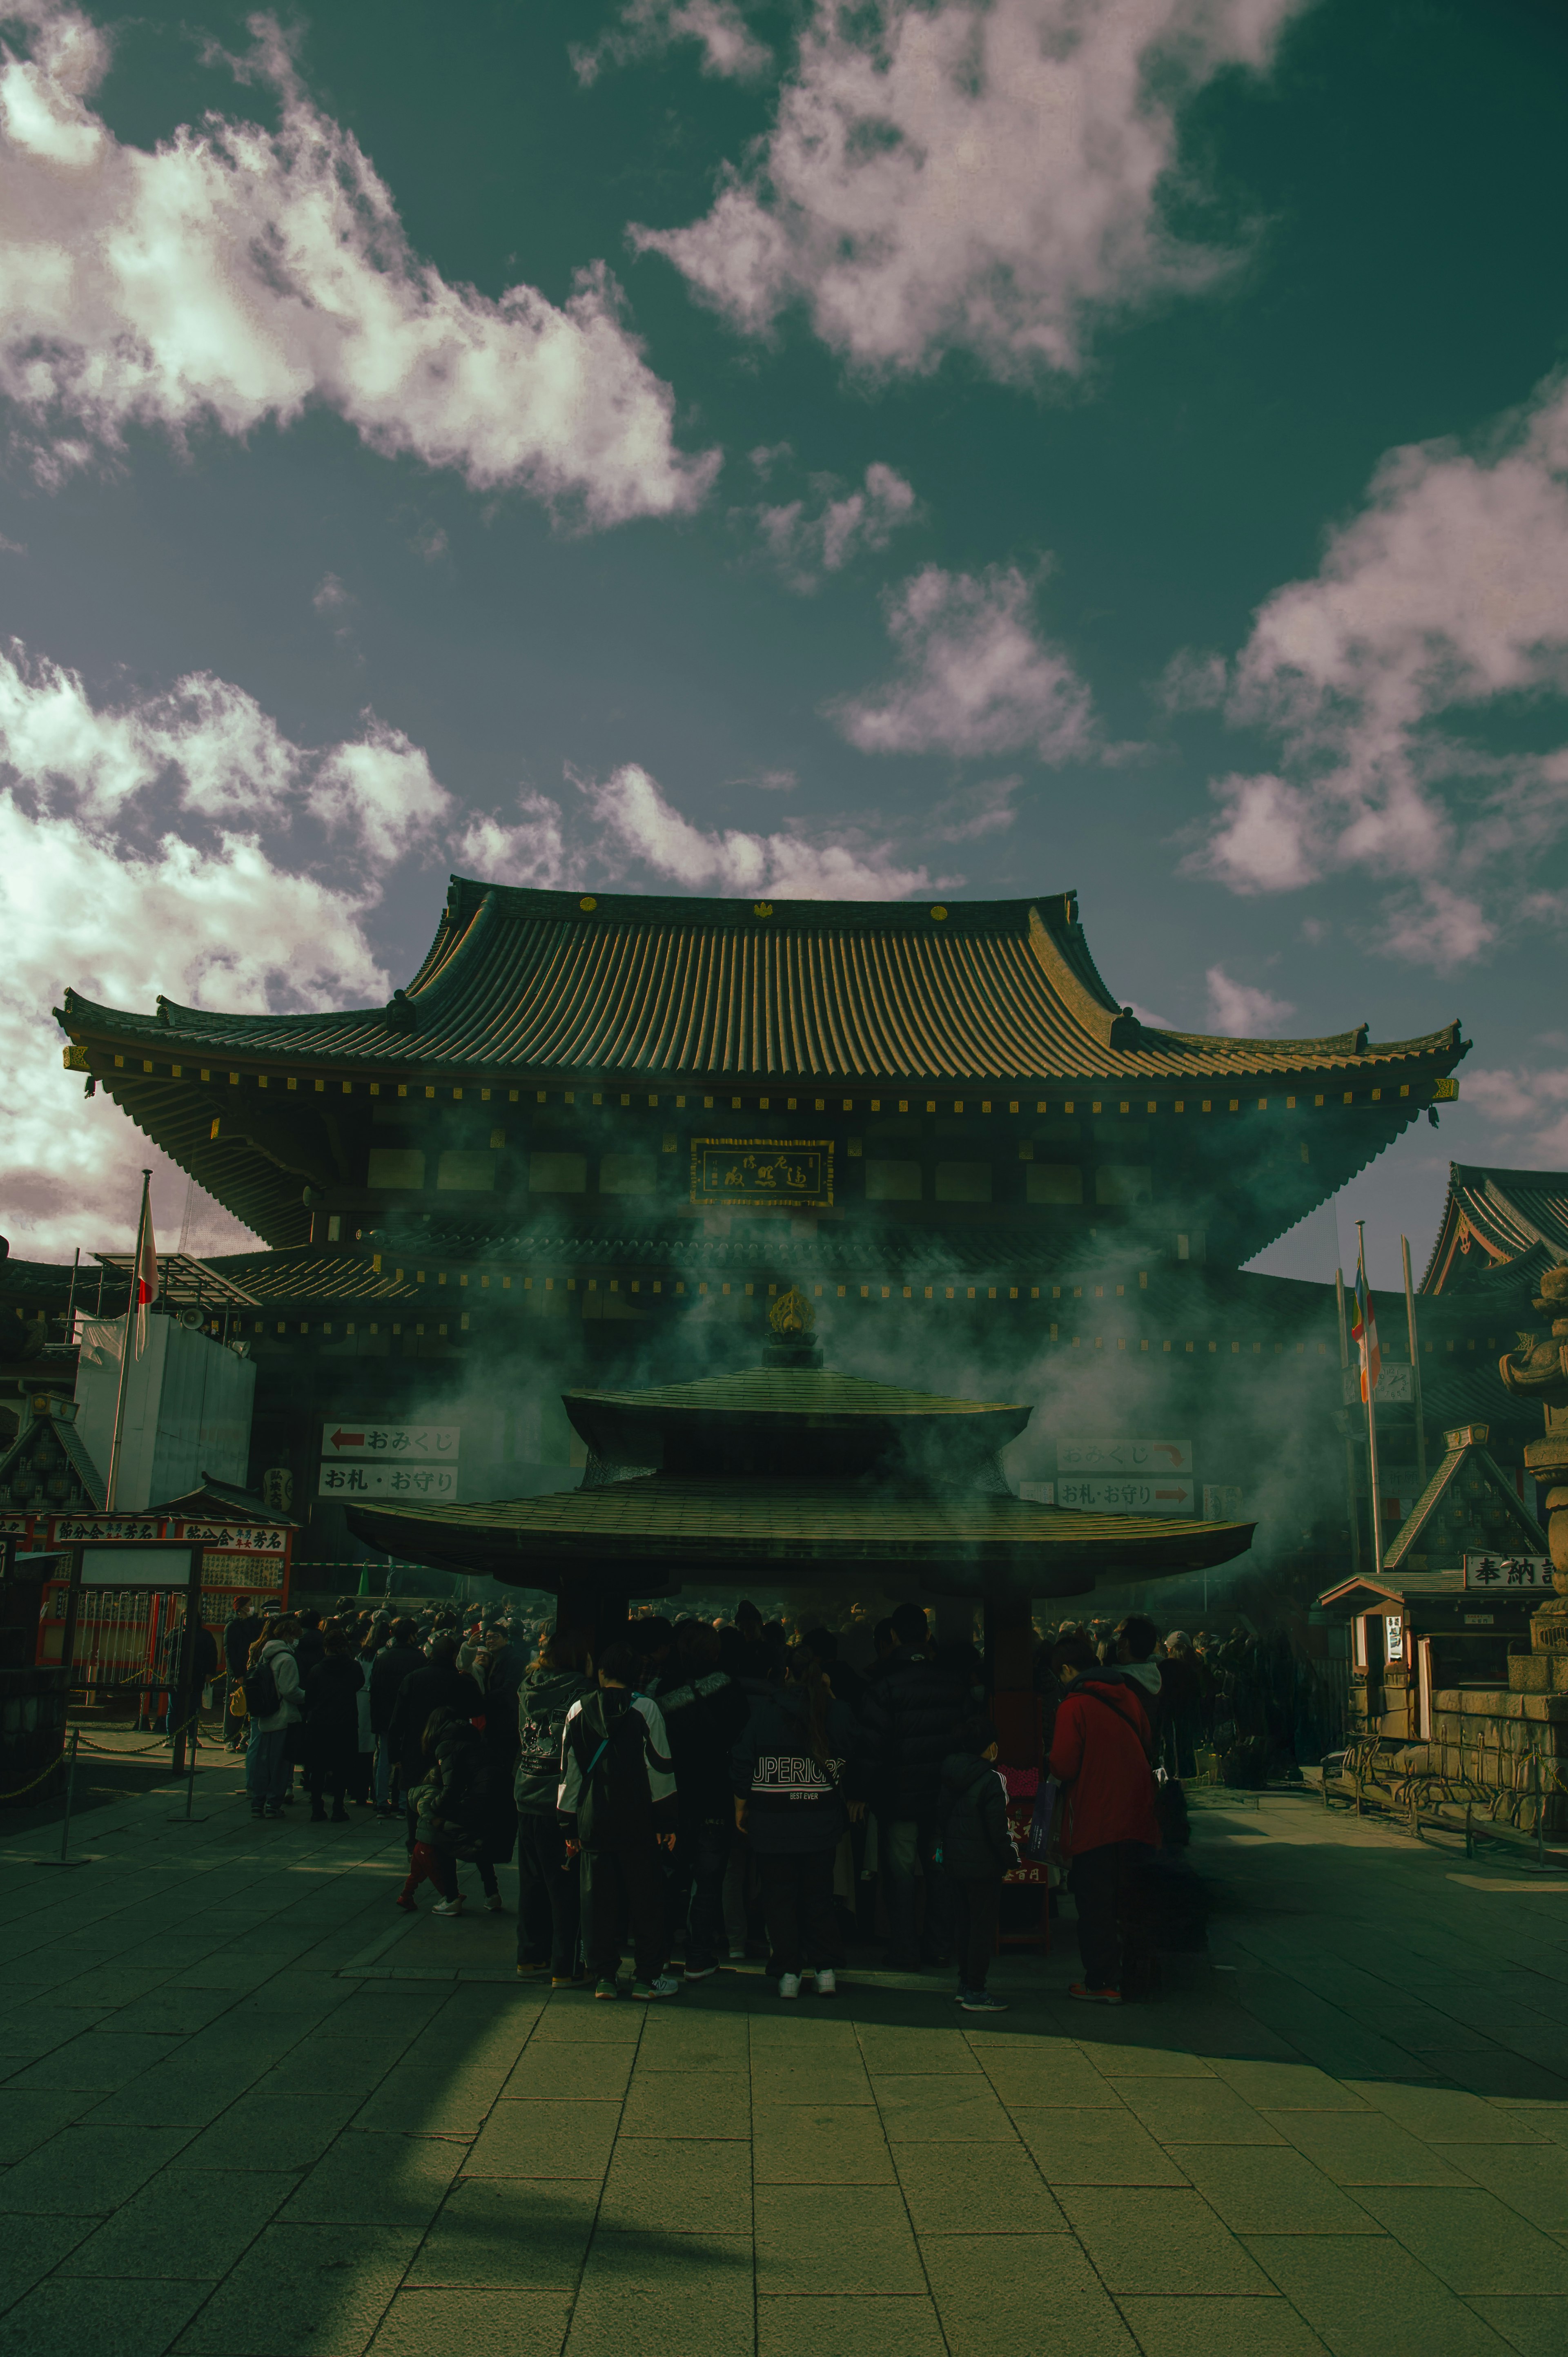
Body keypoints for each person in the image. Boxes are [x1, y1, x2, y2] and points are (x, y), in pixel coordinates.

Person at [732, 1642, 865, 2000]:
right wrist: (832, 1695)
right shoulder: (835, 1711)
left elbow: (743, 1759)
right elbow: (858, 1748)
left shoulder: (765, 1712)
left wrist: (741, 1806)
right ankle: (825, 1972)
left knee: (779, 1899)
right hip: (820, 1823)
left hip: (772, 1823)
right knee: (819, 1897)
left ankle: (788, 1973)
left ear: (786, 1672)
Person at [558, 1641, 680, 2001]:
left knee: (598, 1902)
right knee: (645, 1901)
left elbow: (570, 1774)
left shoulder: (578, 1709)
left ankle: (604, 1977)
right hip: (638, 1821)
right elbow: (660, 1769)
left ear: (601, 1673)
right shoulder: (646, 1709)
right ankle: (646, 1977)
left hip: (593, 1820)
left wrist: (568, 1826)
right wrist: (667, 1821)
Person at [1047, 1634, 1161, 2004]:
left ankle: (1102, 1981)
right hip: (1136, 1815)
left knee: (1095, 1903)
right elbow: (1146, 1739)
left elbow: (1064, 1765)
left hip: (1095, 1818)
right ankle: (1137, 1976)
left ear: (1066, 1670)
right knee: (1128, 1902)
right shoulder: (1128, 1695)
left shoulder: (1073, 1706)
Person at [861, 1601, 964, 1969]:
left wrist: (864, 1793)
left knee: (901, 1876)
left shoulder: (883, 1684)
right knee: (939, 1871)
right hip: (941, 1802)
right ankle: (938, 1946)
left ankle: (904, 1949)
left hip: (899, 1802)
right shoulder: (952, 1681)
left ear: (892, 1636)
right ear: (927, 1634)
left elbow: (872, 1749)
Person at [655, 1620, 750, 1981]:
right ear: (714, 1650)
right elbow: (741, 1735)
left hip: (672, 1797)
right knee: (708, 1880)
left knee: (667, 1877)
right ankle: (698, 1956)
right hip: (714, 1794)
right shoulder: (727, 1686)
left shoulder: (663, 1687)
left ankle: (660, 1954)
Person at [515, 1626, 595, 1982]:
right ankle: (566, 1965)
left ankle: (530, 1955)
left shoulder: (527, 1686)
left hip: (527, 1789)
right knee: (564, 1887)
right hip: (560, 1798)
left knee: (531, 1884)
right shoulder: (582, 1691)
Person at [936, 1714, 1018, 2014]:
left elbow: (942, 1815)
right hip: (984, 1867)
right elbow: (998, 1829)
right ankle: (976, 1989)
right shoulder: (991, 1779)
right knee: (982, 1928)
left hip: (956, 1863)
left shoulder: (950, 1772)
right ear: (991, 1747)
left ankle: (964, 1983)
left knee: (965, 1924)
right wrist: (1010, 1858)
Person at [388, 1630, 483, 1857]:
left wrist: (395, 1754)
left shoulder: (413, 1678)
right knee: (448, 1795)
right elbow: (478, 1709)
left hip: (415, 1747)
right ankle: (442, 1843)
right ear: (453, 1656)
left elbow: (397, 1720)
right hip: (452, 1749)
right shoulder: (460, 1681)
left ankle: (414, 1845)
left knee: (415, 1798)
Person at [398, 1706, 464, 1914]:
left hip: (420, 1843)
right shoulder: (430, 1794)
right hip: (428, 1843)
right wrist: (434, 1819)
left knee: (416, 1875)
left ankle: (406, 1896)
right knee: (435, 1872)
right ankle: (449, 1896)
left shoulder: (421, 1787)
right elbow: (424, 1808)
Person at [302, 1624, 362, 1822]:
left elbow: (309, 1698)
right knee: (342, 1767)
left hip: (320, 1724)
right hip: (346, 1723)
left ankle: (317, 1807)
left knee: (317, 1768)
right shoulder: (354, 1667)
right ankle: (338, 1806)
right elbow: (358, 1685)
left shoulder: (317, 1670)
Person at [244, 1614, 303, 1820]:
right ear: (288, 1636)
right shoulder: (287, 1659)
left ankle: (257, 1802)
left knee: (264, 1763)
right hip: (284, 1716)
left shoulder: (265, 1656)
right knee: (280, 1765)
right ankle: (273, 1805)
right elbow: (289, 1690)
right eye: (296, 1636)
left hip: (266, 1715)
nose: (297, 1640)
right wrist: (306, 1696)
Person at [370, 1617, 424, 1817]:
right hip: (410, 1717)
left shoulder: (383, 1657)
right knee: (407, 1760)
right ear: (412, 1635)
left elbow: (374, 1690)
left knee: (385, 1759)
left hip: (385, 1716)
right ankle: (403, 1803)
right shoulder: (419, 1658)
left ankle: (382, 1802)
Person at [223, 1597, 263, 1750]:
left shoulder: (253, 1624)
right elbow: (230, 1652)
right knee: (235, 1706)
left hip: (253, 1670)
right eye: (250, 1605)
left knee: (251, 1706)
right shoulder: (232, 1626)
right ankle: (231, 1738)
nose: (252, 1608)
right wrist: (236, 1674)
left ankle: (246, 1738)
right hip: (239, 1672)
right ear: (241, 1608)